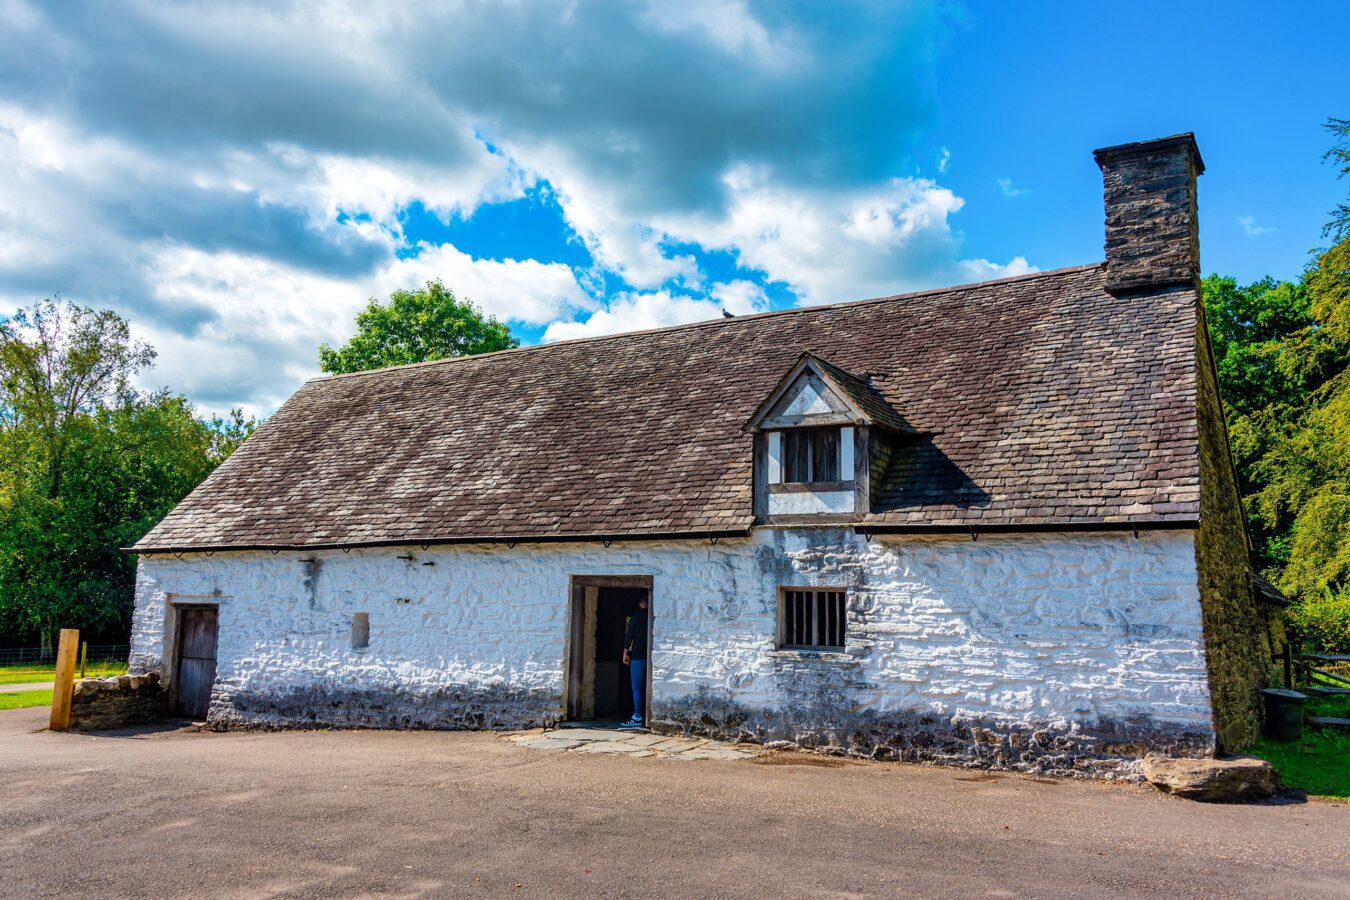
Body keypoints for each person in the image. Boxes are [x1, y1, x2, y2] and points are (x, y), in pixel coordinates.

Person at [619, 597, 648, 729]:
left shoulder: (636, 617)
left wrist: (625, 653)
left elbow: (629, 635)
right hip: (653, 656)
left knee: (637, 688)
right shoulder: (654, 616)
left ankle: (637, 715)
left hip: (638, 656)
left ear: (640, 602)